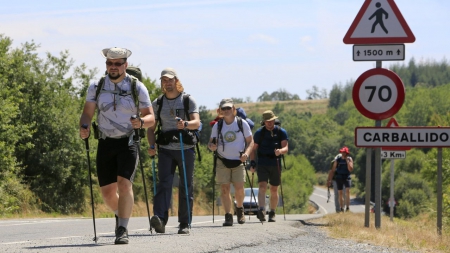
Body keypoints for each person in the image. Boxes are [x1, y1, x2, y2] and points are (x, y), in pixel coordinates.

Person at [79, 47, 155, 244]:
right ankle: (120, 214)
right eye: (109, 63)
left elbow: (151, 117)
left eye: (117, 64)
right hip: (105, 141)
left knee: (124, 183)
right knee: (107, 193)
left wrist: (141, 122)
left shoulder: (137, 87)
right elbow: (87, 112)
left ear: (125, 65)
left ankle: (122, 228)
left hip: (128, 141)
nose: (113, 67)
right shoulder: (96, 86)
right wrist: (84, 126)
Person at [147, 67, 200, 235]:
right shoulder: (158, 103)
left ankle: (184, 223)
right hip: (166, 149)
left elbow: (196, 123)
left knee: (186, 185)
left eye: (170, 80)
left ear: (176, 81)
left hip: (186, 148)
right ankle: (160, 219)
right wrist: (151, 145)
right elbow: (150, 128)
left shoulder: (187, 100)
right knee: (164, 184)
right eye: (164, 80)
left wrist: (185, 124)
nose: (167, 83)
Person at [208, 99, 254, 226]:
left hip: (239, 161)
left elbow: (251, 141)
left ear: (233, 109)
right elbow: (211, 142)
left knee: (239, 189)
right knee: (224, 189)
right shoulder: (218, 126)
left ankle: (239, 209)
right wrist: (211, 146)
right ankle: (228, 215)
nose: (226, 111)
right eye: (224, 109)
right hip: (222, 160)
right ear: (220, 111)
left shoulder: (242, 123)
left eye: (229, 108)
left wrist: (247, 154)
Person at [250, 110, 288, 222]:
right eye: (267, 121)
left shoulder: (281, 132)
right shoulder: (259, 133)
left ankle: (272, 212)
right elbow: (253, 149)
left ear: (274, 120)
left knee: (274, 189)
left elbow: (286, 148)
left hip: (275, 162)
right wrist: (252, 162)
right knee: (262, 186)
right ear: (264, 122)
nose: (269, 123)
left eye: (271, 121)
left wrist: (280, 151)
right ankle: (261, 210)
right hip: (262, 163)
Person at [328, 146, 353, 212]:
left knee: (347, 191)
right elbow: (332, 170)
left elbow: (350, 169)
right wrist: (330, 180)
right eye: (342, 152)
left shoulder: (349, 159)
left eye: (344, 152)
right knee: (339, 193)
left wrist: (347, 162)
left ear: (346, 153)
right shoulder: (337, 160)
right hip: (338, 178)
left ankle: (347, 208)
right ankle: (340, 209)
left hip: (347, 177)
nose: (343, 154)